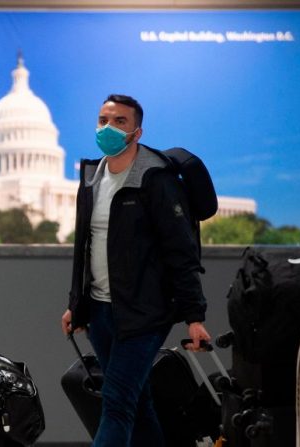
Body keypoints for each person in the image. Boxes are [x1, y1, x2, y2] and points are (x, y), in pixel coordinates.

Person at [61, 94, 210, 447]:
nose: (108, 128)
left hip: (144, 314)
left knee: (116, 404)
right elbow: (86, 247)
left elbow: (181, 251)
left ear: (137, 132)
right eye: (103, 120)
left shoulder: (155, 178)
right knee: (137, 402)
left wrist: (194, 316)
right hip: (101, 312)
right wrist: (76, 304)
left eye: (119, 122)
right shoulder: (91, 177)